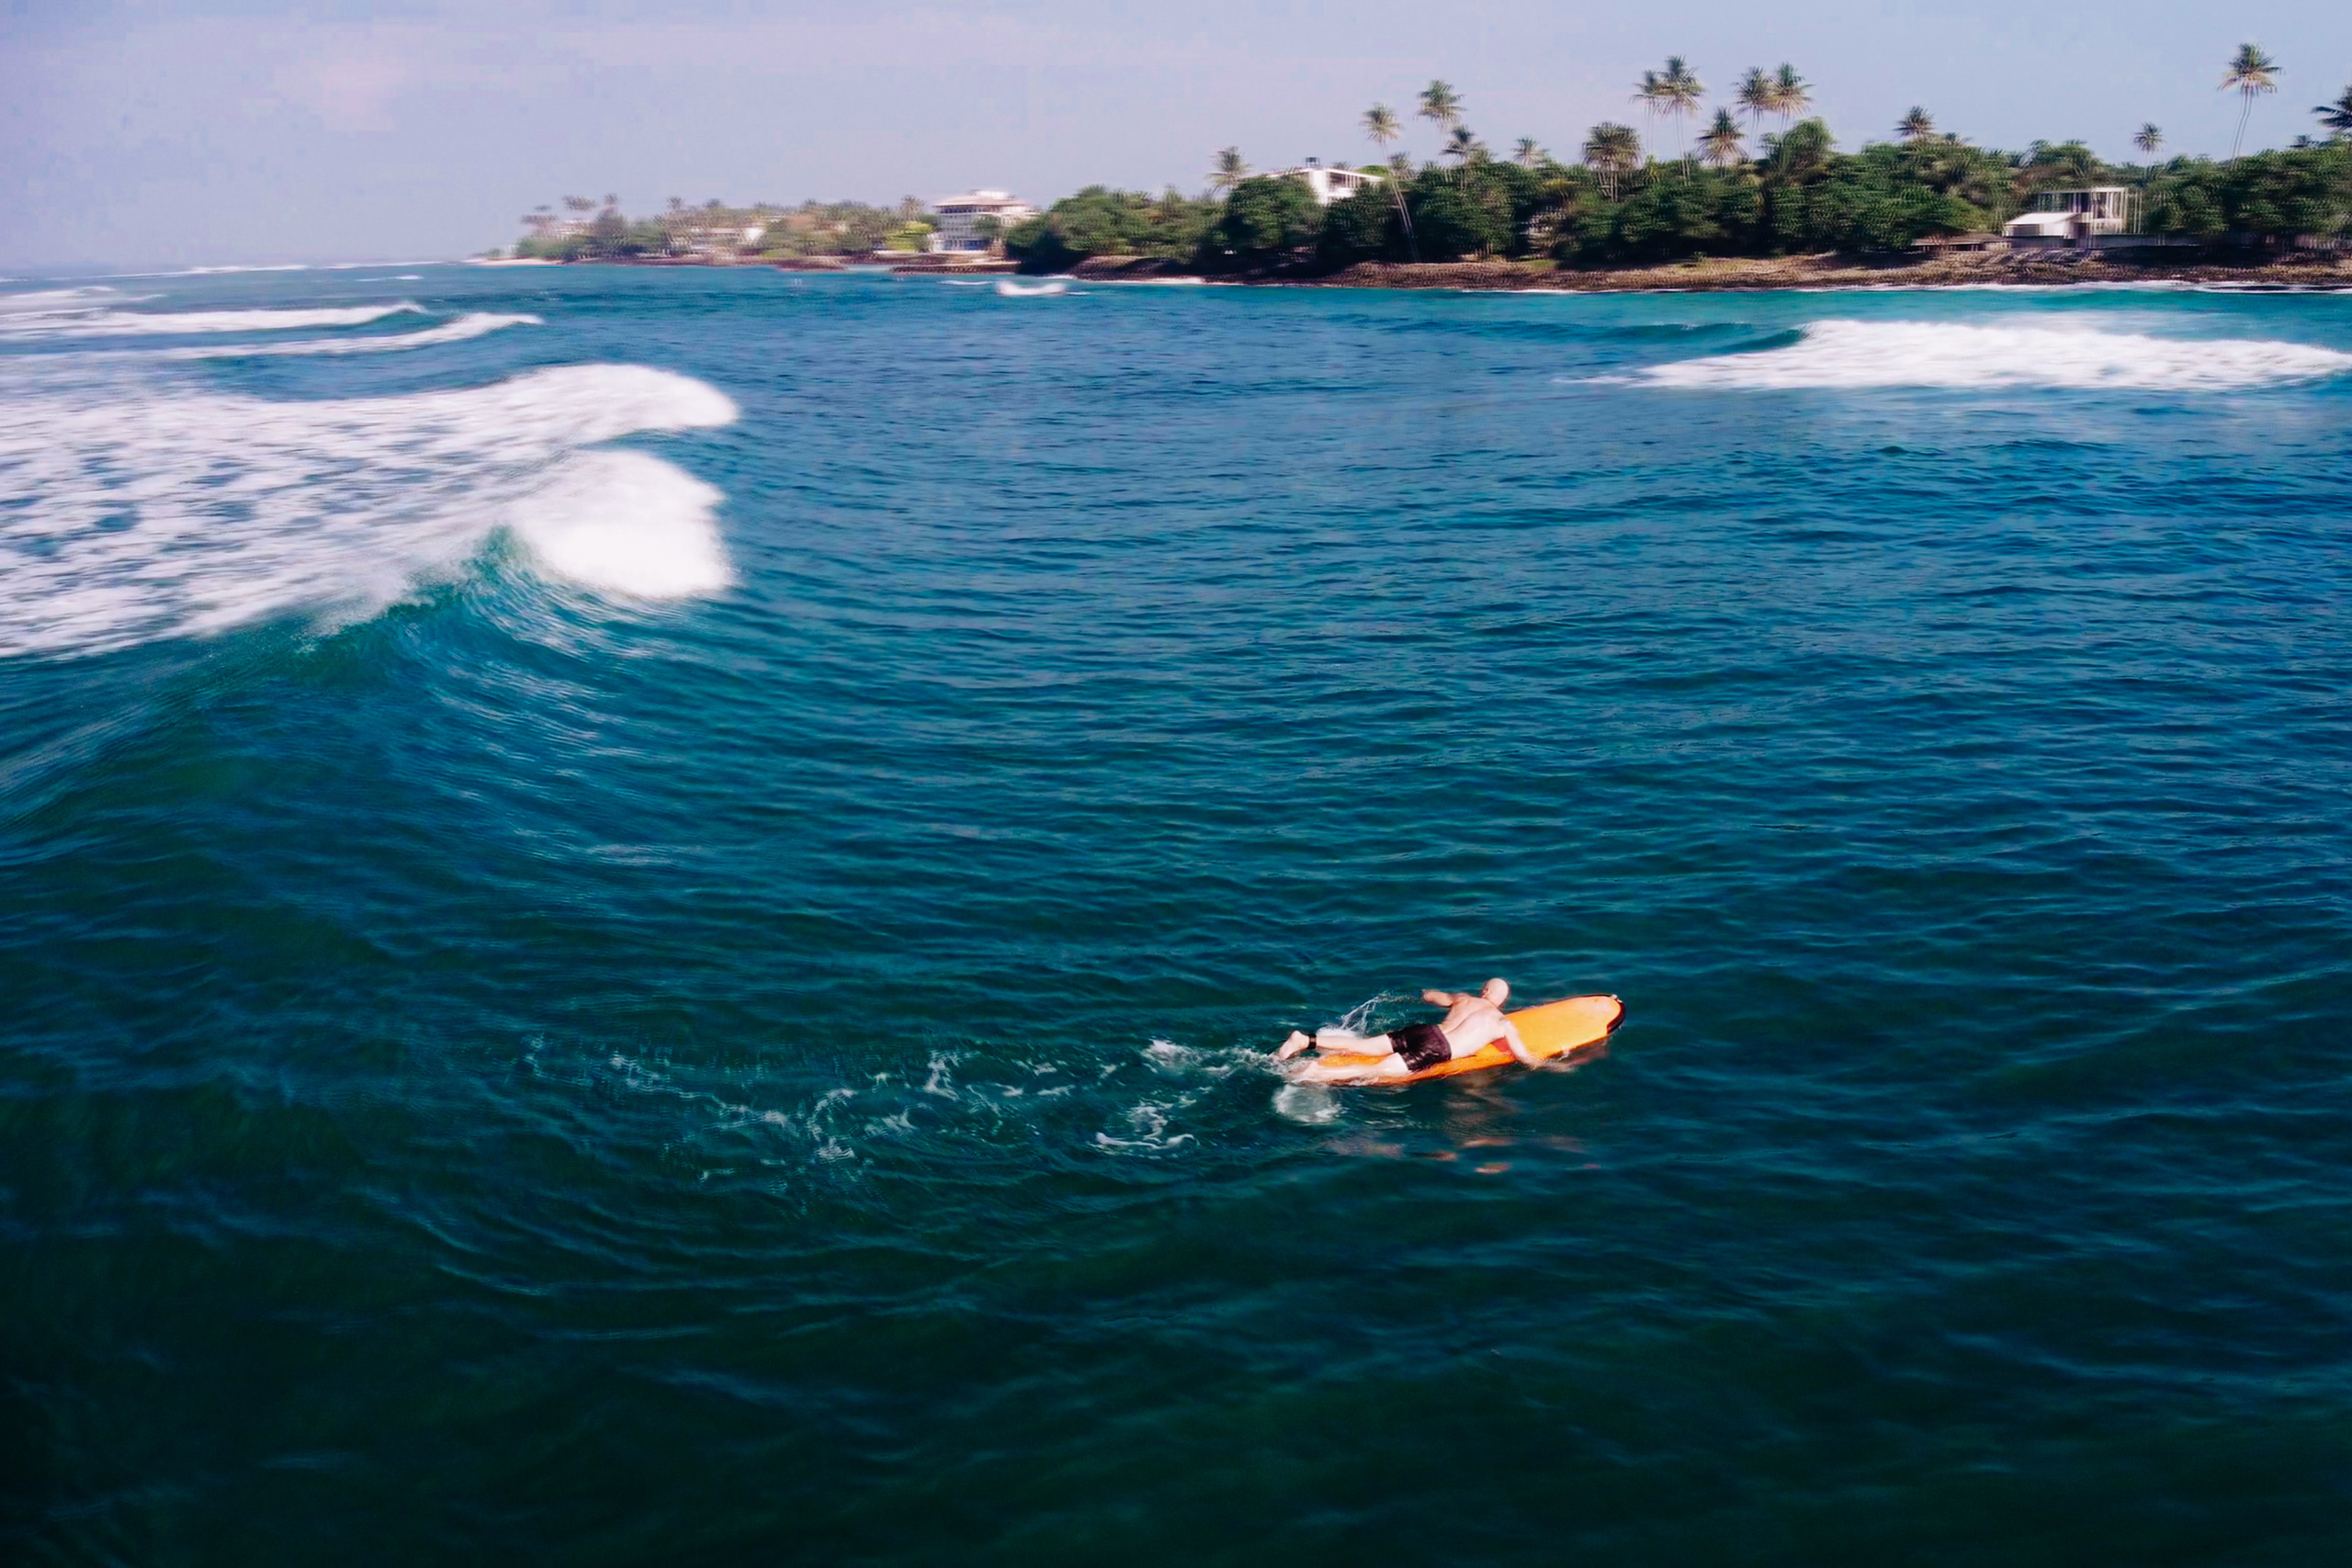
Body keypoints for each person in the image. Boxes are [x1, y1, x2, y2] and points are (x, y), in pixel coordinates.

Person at [1276, 978, 1540, 1081]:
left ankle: (1305, 1040)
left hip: (1425, 1031)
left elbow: (1430, 995)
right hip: (1439, 1049)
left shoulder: (1463, 998)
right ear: (1503, 1002)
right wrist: (1554, 1065)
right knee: (1376, 1069)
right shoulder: (1502, 1022)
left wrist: (1419, 993)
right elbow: (1523, 1056)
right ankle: (1317, 1074)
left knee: (1364, 1046)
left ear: (1483, 990)